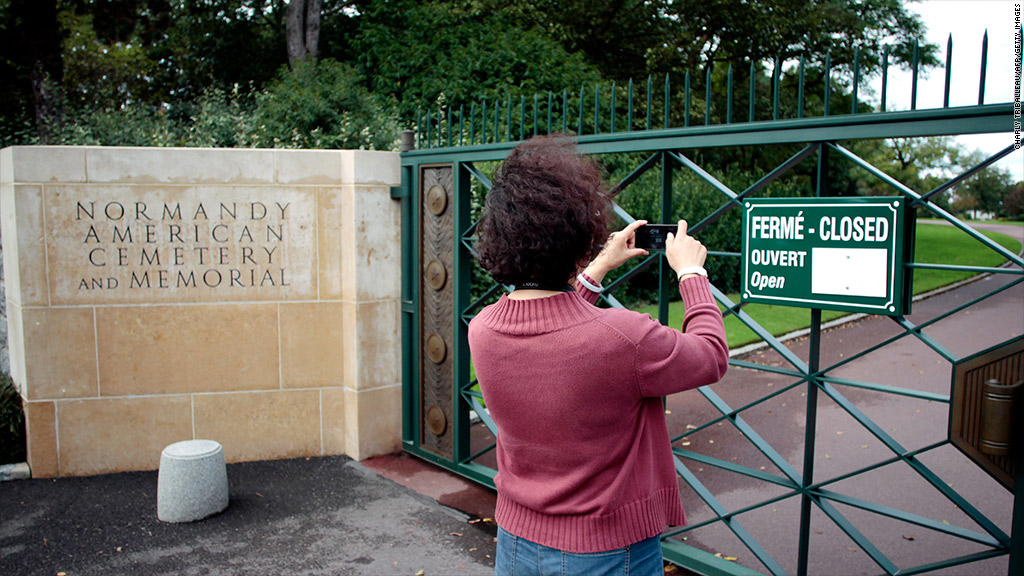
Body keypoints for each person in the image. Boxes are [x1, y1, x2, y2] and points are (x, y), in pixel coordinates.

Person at [467, 135, 730, 576]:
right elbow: (710, 355)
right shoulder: (624, 338)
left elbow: (560, 331)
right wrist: (692, 273)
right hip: (605, 553)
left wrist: (598, 269)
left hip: (515, 544)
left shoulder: (484, 329)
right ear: (579, 237)